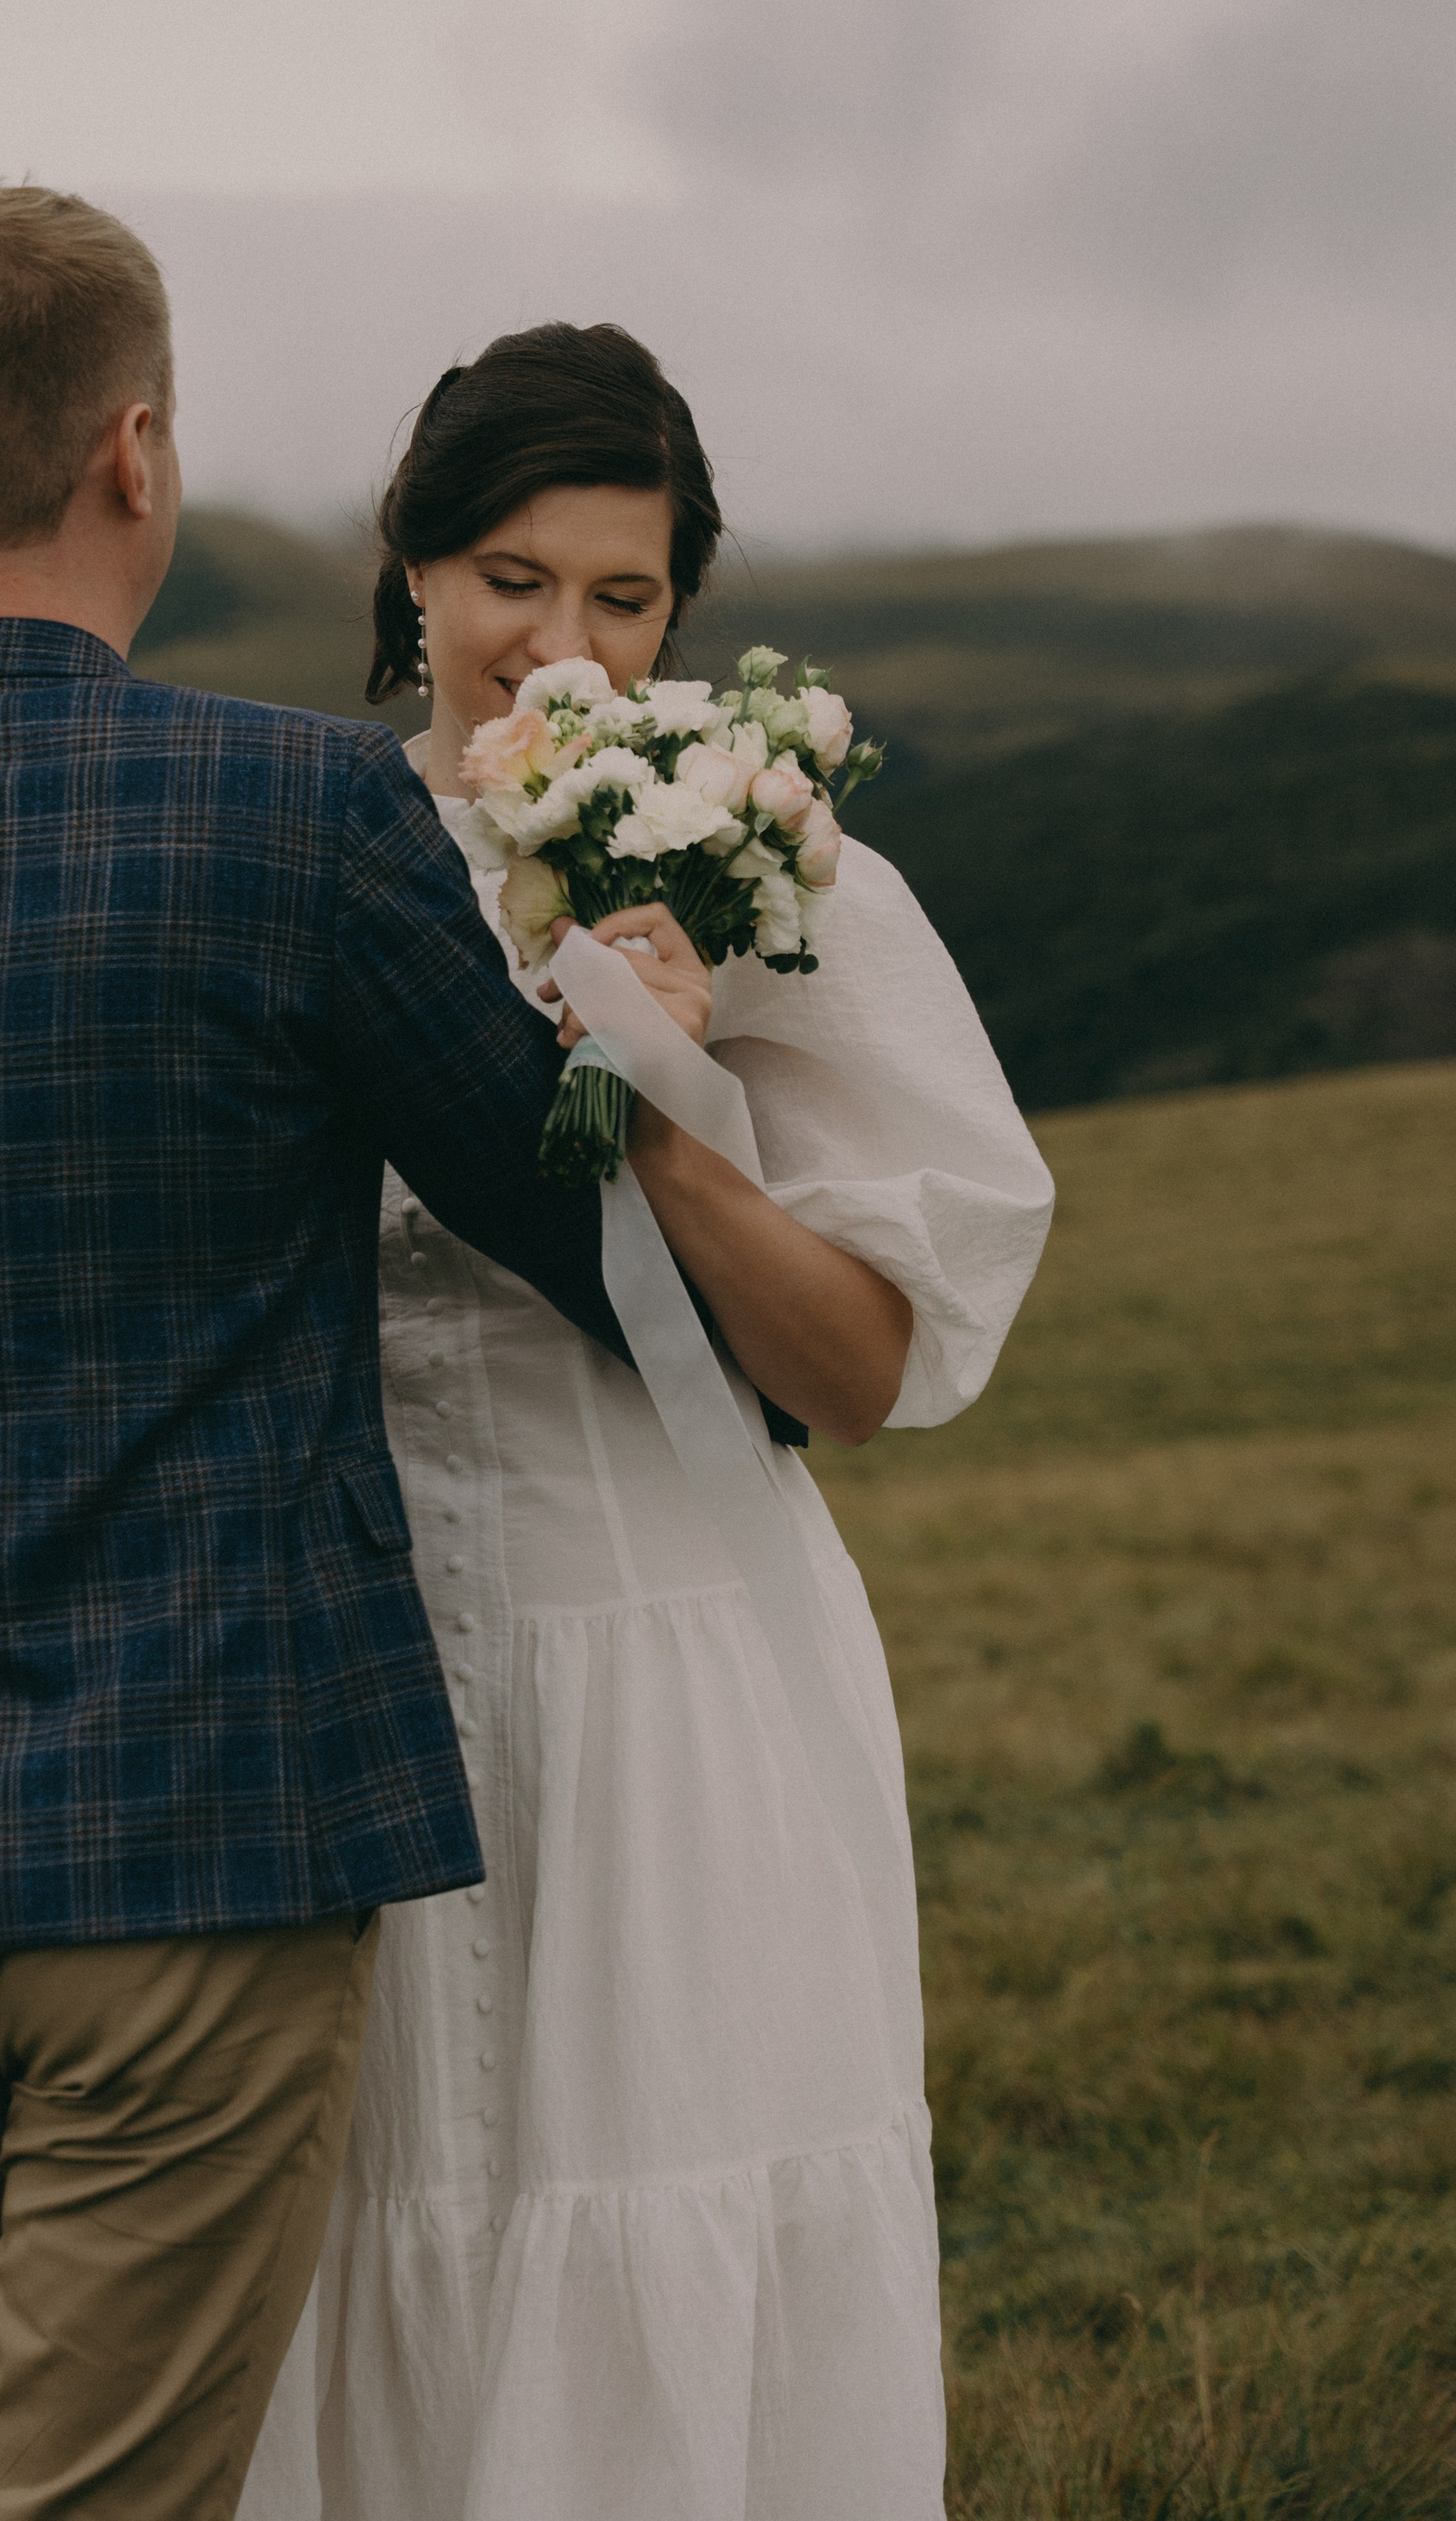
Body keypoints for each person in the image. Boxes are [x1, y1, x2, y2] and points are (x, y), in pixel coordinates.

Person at [0, 193, 639, 2521]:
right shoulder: (304, 818)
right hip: (203, 1818)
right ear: (138, 455)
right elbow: (570, 1229)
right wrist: (631, 1028)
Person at [237, 325, 1055, 2521]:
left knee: (666, 2177)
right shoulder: (295, 853)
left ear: (678, 611)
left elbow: (863, 1374)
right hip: (358, 1668)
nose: (557, 648)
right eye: (509, 577)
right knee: (367, 2215)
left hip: (676, 1652)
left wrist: (665, 1107)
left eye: (621, 597)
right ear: (405, 564)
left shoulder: (770, 873)